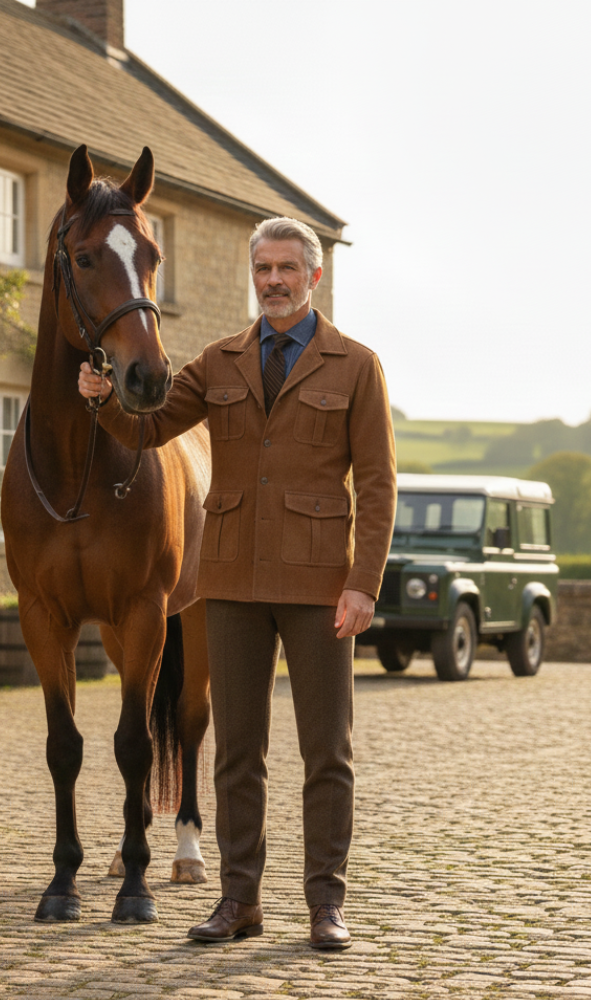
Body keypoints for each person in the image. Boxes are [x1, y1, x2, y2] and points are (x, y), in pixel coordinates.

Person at [78, 216, 396, 950]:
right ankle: (238, 902)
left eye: (287, 268)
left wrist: (363, 584)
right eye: (263, 270)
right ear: (253, 277)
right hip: (230, 581)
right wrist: (102, 399)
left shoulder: (355, 365)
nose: (274, 282)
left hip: (321, 587)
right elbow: (149, 428)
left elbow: (378, 485)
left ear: (314, 277)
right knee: (235, 753)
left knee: (327, 753)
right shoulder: (218, 361)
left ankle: (325, 906)